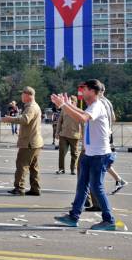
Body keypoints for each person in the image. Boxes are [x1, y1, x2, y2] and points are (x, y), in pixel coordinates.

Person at [52, 79, 123, 231]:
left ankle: (109, 220)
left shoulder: (98, 105)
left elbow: (83, 118)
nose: (82, 92)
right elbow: (82, 113)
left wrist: (64, 105)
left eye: (84, 89)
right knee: (82, 185)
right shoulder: (92, 106)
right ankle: (73, 217)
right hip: (90, 154)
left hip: (100, 155)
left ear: (92, 91)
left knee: (97, 188)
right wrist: (67, 105)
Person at [1, 87, 43, 196]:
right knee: (34, 167)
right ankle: (35, 188)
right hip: (34, 142)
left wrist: (10, 119)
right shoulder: (33, 106)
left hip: (29, 142)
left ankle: (19, 188)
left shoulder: (31, 107)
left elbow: (25, 120)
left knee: (22, 164)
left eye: (23, 94)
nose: (21, 97)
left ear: (28, 95)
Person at [56, 98, 82, 175]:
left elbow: (83, 123)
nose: (69, 103)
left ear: (75, 103)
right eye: (69, 102)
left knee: (74, 154)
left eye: (72, 102)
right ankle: (61, 169)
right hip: (63, 135)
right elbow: (59, 121)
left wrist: (82, 135)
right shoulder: (64, 110)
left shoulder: (78, 111)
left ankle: (73, 169)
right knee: (62, 153)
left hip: (74, 136)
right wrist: (57, 132)